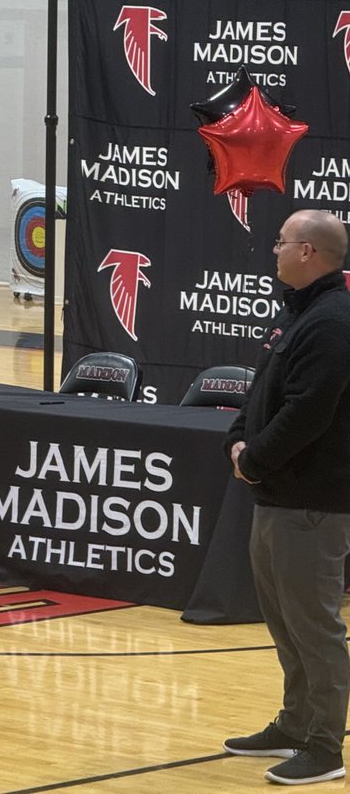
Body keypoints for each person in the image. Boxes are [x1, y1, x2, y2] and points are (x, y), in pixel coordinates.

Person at [222, 209, 350, 786]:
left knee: (314, 626)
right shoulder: (296, 314)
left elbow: (309, 412)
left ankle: (325, 745)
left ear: (308, 253)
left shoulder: (332, 321)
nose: (272, 250)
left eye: (281, 243)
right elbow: (261, 391)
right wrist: (238, 439)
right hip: (276, 496)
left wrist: (254, 458)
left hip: (313, 502)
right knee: (284, 622)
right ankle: (295, 722)